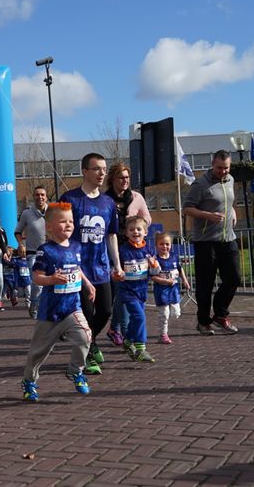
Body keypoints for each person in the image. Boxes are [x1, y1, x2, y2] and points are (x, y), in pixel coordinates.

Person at [19, 202, 95, 402]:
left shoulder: (76, 246)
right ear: (50, 227)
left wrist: (88, 284)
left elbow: (76, 269)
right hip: (50, 313)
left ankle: (75, 371)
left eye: (71, 221)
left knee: (85, 336)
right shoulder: (46, 250)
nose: (69, 225)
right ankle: (29, 382)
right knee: (38, 353)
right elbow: (36, 277)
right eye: (63, 222)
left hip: (72, 308)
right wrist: (52, 280)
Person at [59, 153, 122, 375]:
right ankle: (85, 356)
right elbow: (61, 233)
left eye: (104, 169)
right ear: (85, 171)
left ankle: (90, 341)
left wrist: (117, 264)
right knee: (86, 312)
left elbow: (111, 235)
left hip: (101, 268)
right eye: (97, 169)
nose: (102, 173)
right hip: (78, 268)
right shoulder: (70, 199)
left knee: (105, 310)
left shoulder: (108, 203)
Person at [183, 150, 241, 335]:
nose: (223, 171)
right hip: (206, 242)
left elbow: (228, 201)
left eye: (226, 168)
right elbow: (187, 209)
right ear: (212, 164)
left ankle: (220, 315)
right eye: (219, 168)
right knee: (205, 284)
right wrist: (208, 215)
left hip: (228, 239)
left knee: (234, 278)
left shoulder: (230, 180)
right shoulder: (200, 184)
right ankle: (203, 321)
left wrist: (233, 211)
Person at [104, 164, 151, 348]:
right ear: (112, 179)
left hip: (133, 250)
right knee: (119, 290)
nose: (124, 181)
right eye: (120, 177)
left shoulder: (136, 197)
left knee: (123, 291)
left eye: (126, 177)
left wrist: (135, 223)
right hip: (113, 248)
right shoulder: (105, 199)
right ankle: (122, 331)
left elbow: (147, 218)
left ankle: (116, 329)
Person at [116, 216, 158, 363]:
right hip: (127, 291)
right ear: (126, 233)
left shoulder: (149, 249)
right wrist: (117, 273)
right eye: (131, 229)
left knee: (136, 318)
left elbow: (154, 272)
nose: (135, 232)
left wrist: (154, 266)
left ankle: (127, 340)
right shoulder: (122, 250)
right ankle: (140, 348)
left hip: (142, 291)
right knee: (140, 317)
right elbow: (115, 268)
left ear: (145, 232)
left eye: (139, 229)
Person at [15, 185, 49, 318]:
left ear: (46, 197)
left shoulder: (52, 210)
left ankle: (43, 307)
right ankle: (34, 306)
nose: (40, 197)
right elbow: (18, 231)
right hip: (33, 252)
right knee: (37, 282)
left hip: (50, 253)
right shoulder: (27, 213)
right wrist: (21, 245)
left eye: (42, 195)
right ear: (33, 197)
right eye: (37, 195)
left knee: (50, 283)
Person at [152, 232, 190, 344]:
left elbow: (179, 269)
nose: (165, 246)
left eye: (167, 244)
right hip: (161, 290)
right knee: (164, 314)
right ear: (156, 245)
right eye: (161, 244)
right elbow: (152, 276)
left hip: (173, 290)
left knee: (176, 313)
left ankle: (166, 325)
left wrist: (185, 280)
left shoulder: (174, 256)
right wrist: (165, 281)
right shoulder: (155, 260)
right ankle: (163, 335)